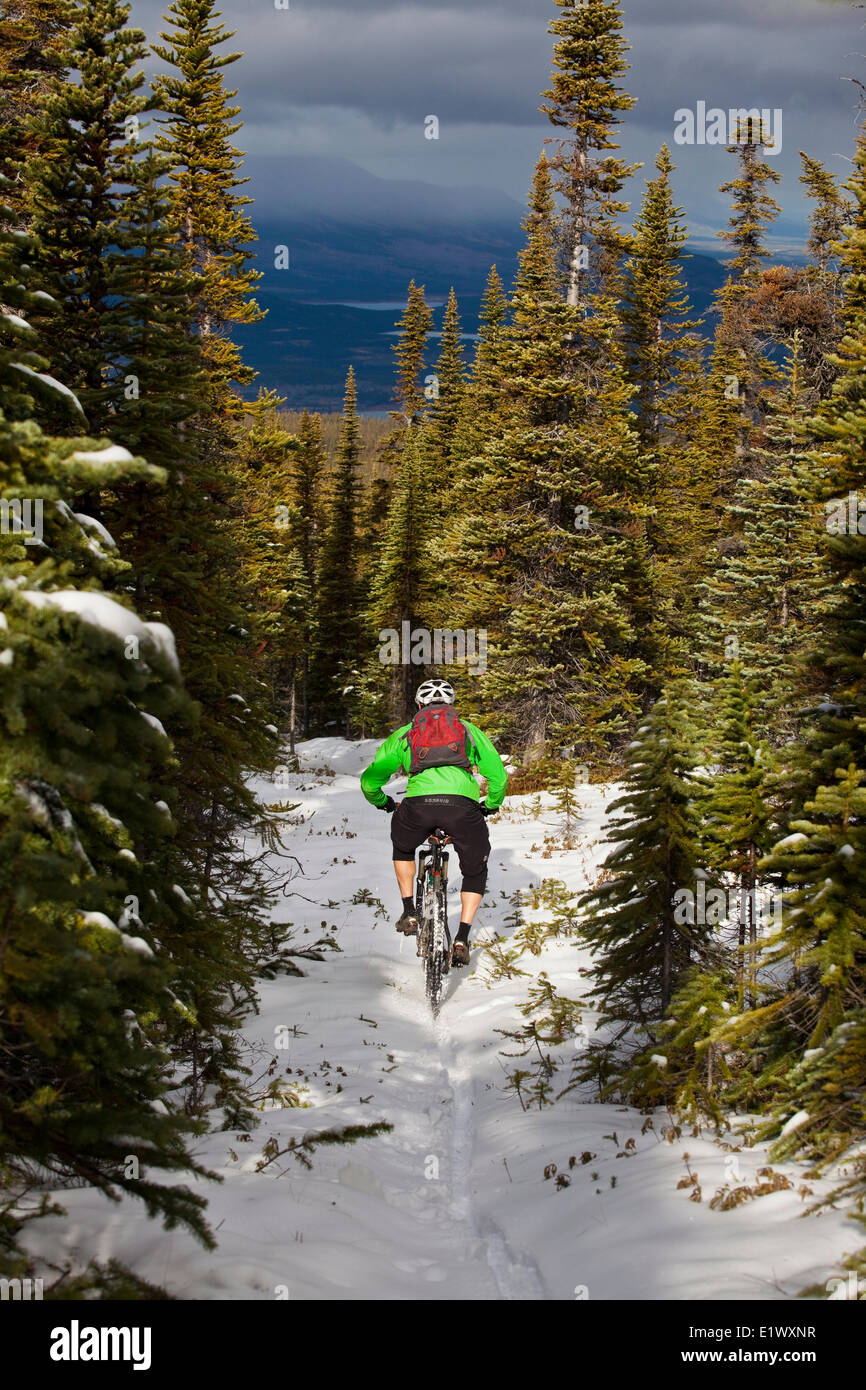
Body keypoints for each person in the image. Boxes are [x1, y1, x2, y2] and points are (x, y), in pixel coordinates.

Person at [360, 678, 507, 968]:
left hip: (418, 807)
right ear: (452, 705)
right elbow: (498, 776)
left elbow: (370, 779)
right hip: (462, 808)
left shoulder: (407, 733)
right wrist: (489, 806)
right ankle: (463, 938)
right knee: (475, 868)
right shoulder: (469, 731)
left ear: (419, 705)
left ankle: (409, 911)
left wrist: (383, 802)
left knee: (402, 847)